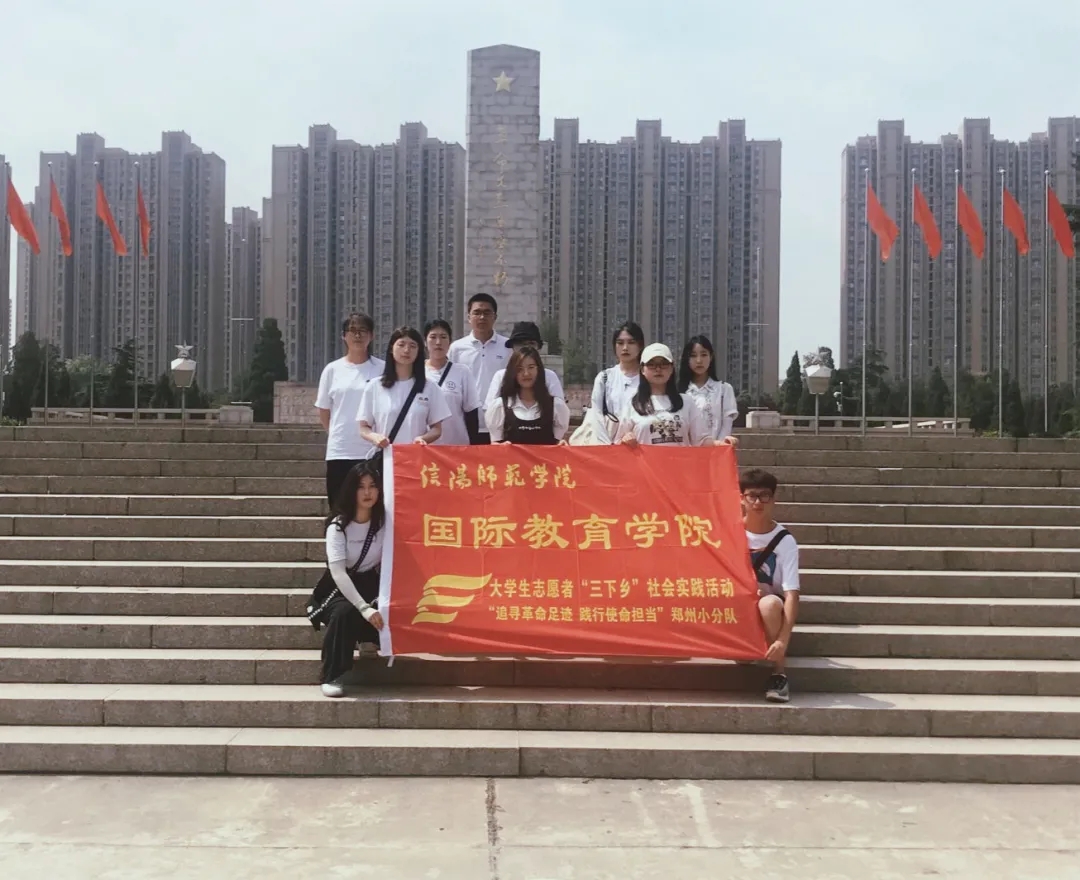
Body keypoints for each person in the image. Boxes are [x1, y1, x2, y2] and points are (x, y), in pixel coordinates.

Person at [317, 462, 386, 698]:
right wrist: (364, 608)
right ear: (351, 490)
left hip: (371, 582)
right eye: (360, 487)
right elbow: (337, 572)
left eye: (372, 486)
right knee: (345, 613)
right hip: (338, 587)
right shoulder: (338, 526)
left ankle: (369, 639)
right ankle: (331, 675)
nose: (367, 492)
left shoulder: (384, 523)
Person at [741, 468, 800, 704]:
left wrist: (782, 640)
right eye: (752, 496)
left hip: (769, 609)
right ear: (741, 499)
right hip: (739, 607)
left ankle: (778, 674)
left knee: (769, 603)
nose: (758, 502)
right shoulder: (729, 532)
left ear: (773, 499)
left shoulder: (785, 541)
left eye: (764, 496)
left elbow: (792, 594)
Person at [315, 314, 385, 506]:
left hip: (372, 450)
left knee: (372, 509)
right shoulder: (332, 370)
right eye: (352, 331)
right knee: (340, 508)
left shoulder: (382, 369)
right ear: (344, 336)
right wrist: (337, 434)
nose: (357, 336)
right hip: (340, 451)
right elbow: (324, 410)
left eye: (363, 331)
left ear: (371, 336)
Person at [358, 326, 452, 449]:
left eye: (412, 346)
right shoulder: (374, 386)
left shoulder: (430, 387)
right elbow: (364, 427)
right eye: (401, 345)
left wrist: (423, 438)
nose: (407, 350)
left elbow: (437, 429)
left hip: (415, 455)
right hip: (387, 456)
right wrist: (375, 437)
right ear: (391, 348)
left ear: (418, 351)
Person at [613, 343, 721, 447]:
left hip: (679, 460)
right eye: (651, 364)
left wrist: (722, 444)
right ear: (642, 369)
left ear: (671, 368)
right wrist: (625, 440)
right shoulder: (632, 404)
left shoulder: (687, 402)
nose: (658, 369)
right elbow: (618, 443)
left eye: (664, 364)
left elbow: (701, 441)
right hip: (646, 461)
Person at [447, 294, 508, 444]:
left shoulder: (508, 347)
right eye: (477, 313)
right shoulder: (456, 348)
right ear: (469, 317)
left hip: (500, 423)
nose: (482, 317)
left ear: (495, 317)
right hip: (465, 423)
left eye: (487, 313)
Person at [486, 346, 571, 444]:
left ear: (539, 370)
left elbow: (557, 443)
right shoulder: (500, 406)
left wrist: (561, 445)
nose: (526, 374)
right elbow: (494, 445)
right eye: (520, 369)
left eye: (531, 367)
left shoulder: (555, 405)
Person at [424, 319, 480, 445]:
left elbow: (471, 412)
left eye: (443, 337)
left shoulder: (462, 371)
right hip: (425, 447)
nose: (438, 342)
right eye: (433, 337)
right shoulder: (417, 373)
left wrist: (473, 447)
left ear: (450, 342)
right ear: (425, 342)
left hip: (456, 446)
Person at [677, 335, 739, 446]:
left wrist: (717, 448)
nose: (699, 360)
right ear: (687, 359)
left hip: (716, 450)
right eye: (693, 356)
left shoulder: (724, 390)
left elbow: (726, 426)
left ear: (711, 357)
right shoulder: (678, 392)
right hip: (686, 452)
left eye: (704, 355)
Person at [484, 321, 565, 405]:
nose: (526, 348)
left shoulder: (549, 377)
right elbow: (490, 408)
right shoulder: (501, 376)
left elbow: (559, 408)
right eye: (520, 344)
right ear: (512, 348)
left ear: (539, 348)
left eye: (531, 344)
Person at [590, 321, 645, 443]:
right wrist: (607, 446)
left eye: (631, 342)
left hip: (640, 444)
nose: (625, 348)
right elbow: (596, 415)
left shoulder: (648, 378)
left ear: (640, 345)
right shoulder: (605, 378)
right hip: (609, 445)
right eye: (620, 343)